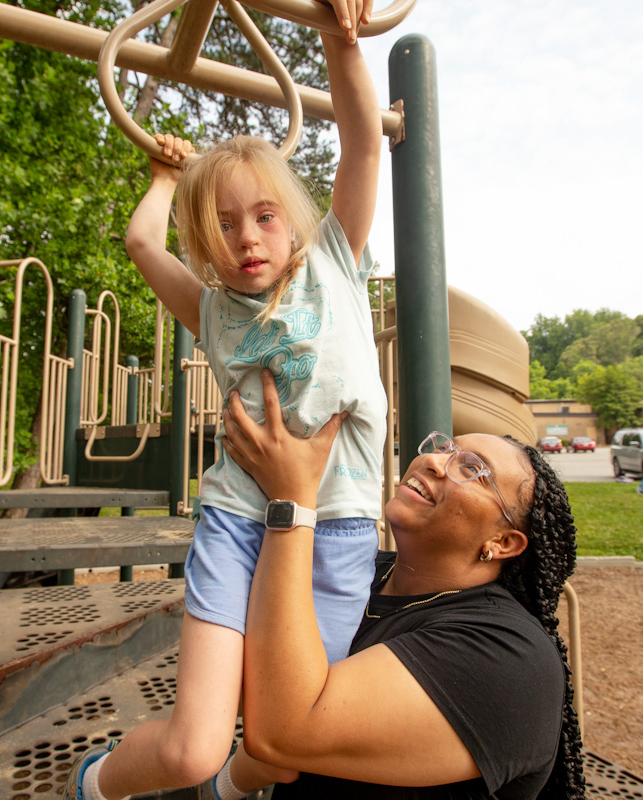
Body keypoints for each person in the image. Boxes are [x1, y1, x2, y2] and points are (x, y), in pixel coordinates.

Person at [64, 3, 386, 800]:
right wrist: (164, 182)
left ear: (294, 223)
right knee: (191, 749)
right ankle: (90, 785)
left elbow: (361, 139)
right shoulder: (209, 309)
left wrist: (338, 42)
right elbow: (143, 244)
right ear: (206, 242)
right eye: (224, 224)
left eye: (264, 216)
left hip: (336, 529)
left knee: (286, 749)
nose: (247, 237)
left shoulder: (334, 262)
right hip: (241, 523)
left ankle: (227, 793)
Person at [220, 369, 586, 800]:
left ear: (502, 543)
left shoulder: (508, 656)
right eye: (446, 448)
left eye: (471, 469)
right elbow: (256, 683)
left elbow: (283, 732)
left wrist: (293, 502)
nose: (434, 460)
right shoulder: (364, 573)